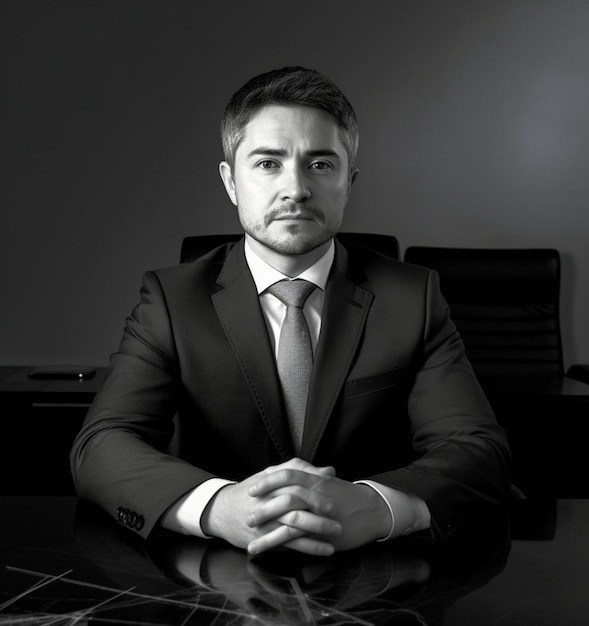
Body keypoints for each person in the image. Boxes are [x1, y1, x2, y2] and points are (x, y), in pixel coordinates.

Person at [70, 66, 511, 557]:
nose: (296, 188)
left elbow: (478, 449)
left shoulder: (413, 296)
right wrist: (220, 506)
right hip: (212, 575)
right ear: (230, 182)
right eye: (267, 163)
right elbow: (102, 445)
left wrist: (376, 505)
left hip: (378, 576)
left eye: (320, 164)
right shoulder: (173, 301)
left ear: (349, 182)